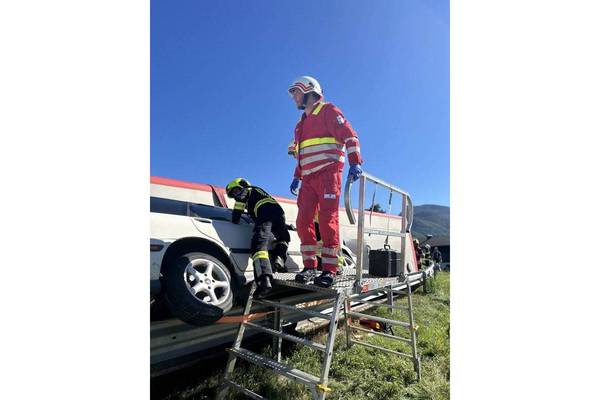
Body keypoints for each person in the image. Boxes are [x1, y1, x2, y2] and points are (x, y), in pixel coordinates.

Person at [287, 76, 364, 287]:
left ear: (308, 90)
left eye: (296, 92)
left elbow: (350, 136)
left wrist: (355, 162)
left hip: (329, 174)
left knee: (327, 220)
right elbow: (302, 154)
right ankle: (310, 267)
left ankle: (330, 269)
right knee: (303, 221)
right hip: (308, 180)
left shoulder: (328, 111)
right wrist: (296, 177)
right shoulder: (300, 125)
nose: (293, 97)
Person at [225, 178, 290, 298]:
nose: (236, 195)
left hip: (264, 213)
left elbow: (237, 213)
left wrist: (234, 218)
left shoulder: (246, 191)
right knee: (283, 237)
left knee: (258, 246)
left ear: (243, 186)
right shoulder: (260, 191)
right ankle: (279, 258)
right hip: (279, 213)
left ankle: (264, 280)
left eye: (236, 190)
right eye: (233, 194)